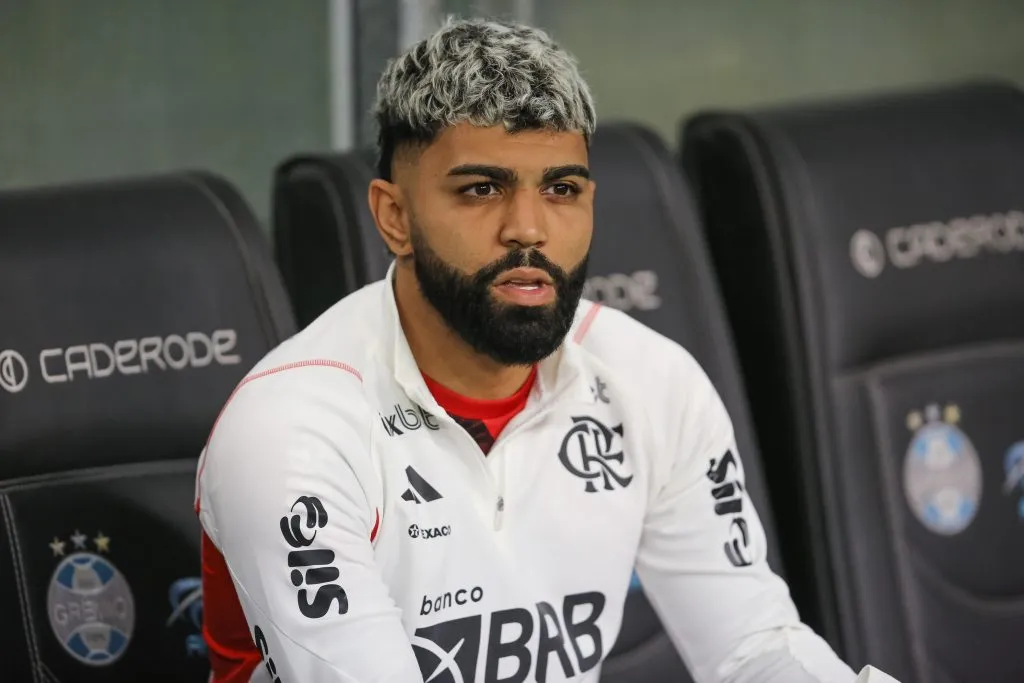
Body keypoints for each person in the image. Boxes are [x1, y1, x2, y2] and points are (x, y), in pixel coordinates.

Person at [194, 17, 900, 683]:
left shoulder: (653, 383)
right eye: (481, 189)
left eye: (561, 189)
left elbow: (753, 647)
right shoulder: (292, 430)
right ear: (395, 216)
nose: (528, 230)